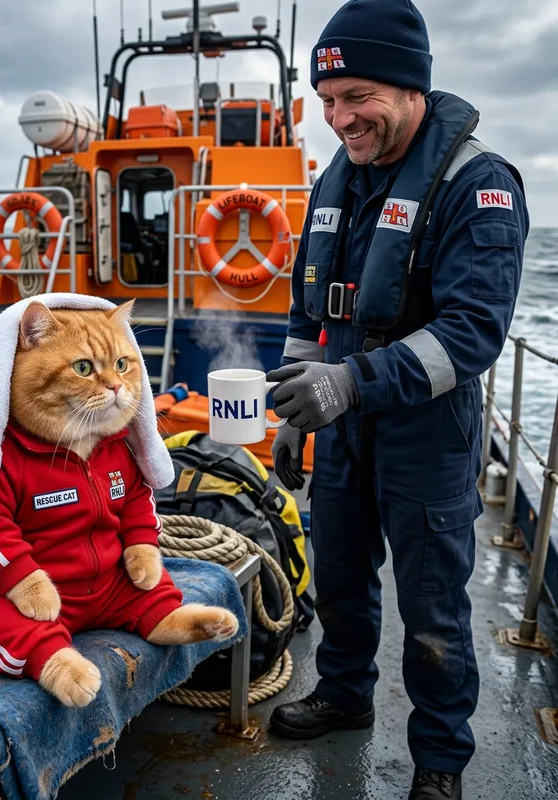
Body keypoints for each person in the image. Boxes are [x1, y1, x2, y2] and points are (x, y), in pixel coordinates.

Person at [266, 2, 529, 799]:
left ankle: (440, 760)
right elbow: (311, 308)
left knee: (433, 608)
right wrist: (294, 414)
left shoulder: (479, 184)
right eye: (328, 100)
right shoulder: (336, 179)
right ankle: (344, 692)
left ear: (412, 88)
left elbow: (471, 333)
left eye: (358, 97)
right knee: (340, 576)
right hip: (343, 429)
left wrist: (351, 382)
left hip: (427, 433)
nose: (340, 118)